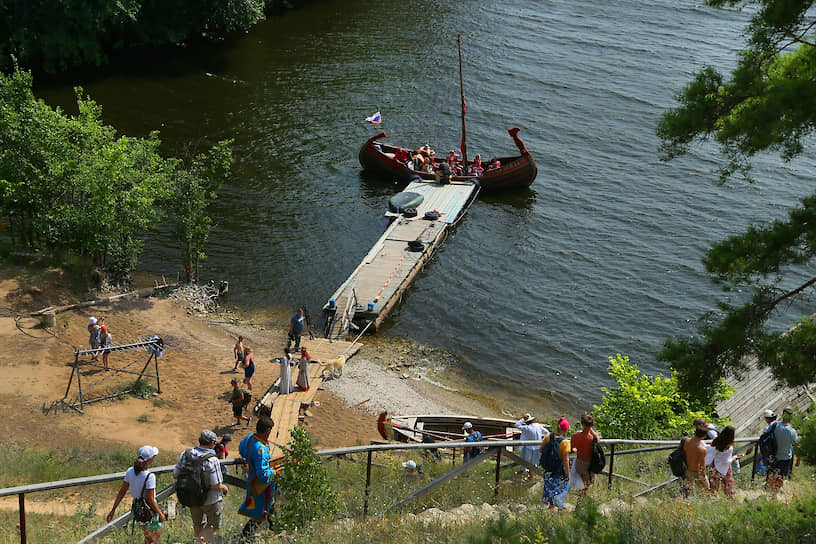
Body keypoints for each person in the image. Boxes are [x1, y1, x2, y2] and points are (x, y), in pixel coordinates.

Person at [173, 430, 229, 544]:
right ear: (212, 443)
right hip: (210, 500)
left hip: (191, 497)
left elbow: (175, 475)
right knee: (213, 525)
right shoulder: (212, 460)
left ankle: (198, 541)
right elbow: (215, 485)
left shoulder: (186, 454)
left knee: (198, 524)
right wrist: (223, 487)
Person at [106, 445, 165, 544]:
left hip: (137, 509)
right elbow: (149, 499)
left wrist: (113, 510)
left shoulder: (130, 471)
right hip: (149, 510)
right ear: (150, 460)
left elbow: (122, 492)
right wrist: (160, 513)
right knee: (154, 540)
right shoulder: (150, 476)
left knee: (147, 537)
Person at [238, 416, 277, 542]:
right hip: (262, 487)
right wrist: (275, 471)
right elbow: (264, 476)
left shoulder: (250, 438)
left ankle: (275, 527)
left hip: (253, 481)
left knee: (269, 507)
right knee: (260, 513)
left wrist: (248, 460)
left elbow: (241, 448)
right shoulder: (261, 449)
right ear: (267, 431)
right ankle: (245, 537)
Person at [767, 406, 801, 491]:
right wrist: (798, 459)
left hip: (772, 456)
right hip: (785, 458)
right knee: (780, 477)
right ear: (791, 417)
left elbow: (765, 438)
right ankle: (775, 493)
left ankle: (772, 491)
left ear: (782, 415)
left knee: (772, 475)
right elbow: (796, 446)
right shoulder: (792, 431)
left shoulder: (773, 425)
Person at [540, 417, 571, 509]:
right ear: (566, 430)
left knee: (549, 486)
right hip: (558, 469)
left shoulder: (548, 436)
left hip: (547, 468)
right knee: (562, 487)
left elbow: (541, 450)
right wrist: (568, 474)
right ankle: (559, 507)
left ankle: (550, 507)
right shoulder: (565, 442)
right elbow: (565, 460)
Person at [570, 413, 600, 502]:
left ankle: (580, 499)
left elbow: (572, 449)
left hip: (579, 463)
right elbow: (597, 440)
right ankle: (581, 501)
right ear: (592, 425)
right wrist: (591, 429)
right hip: (589, 465)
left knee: (581, 483)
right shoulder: (594, 438)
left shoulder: (575, 436)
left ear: (582, 424)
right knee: (586, 484)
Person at [705, 425, 741, 499]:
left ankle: (713, 503)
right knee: (728, 488)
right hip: (726, 469)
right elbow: (726, 461)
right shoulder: (729, 447)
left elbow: (710, 450)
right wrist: (734, 458)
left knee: (713, 489)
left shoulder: (716, 442)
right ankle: (731, 503)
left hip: (715, 466)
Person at [683, 427, 709, 497]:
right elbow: (702, 465)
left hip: (687, 469)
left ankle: (687, 501)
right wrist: (703, 476)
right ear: (704, 436)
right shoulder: (702, 449)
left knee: (688, 489)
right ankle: (703, 502)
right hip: (696, 471)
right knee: (706, 489)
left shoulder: (686, 441)